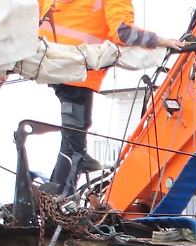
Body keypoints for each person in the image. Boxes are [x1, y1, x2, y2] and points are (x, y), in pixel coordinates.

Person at [37, 0, 185, 193]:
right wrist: (161, 41)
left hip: (54, 66)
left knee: (76, 132)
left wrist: (4, 64)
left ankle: (69, 174)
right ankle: (60, 198)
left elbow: (26, 23)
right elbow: (123, 32)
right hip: (77, 71)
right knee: (73, 140)